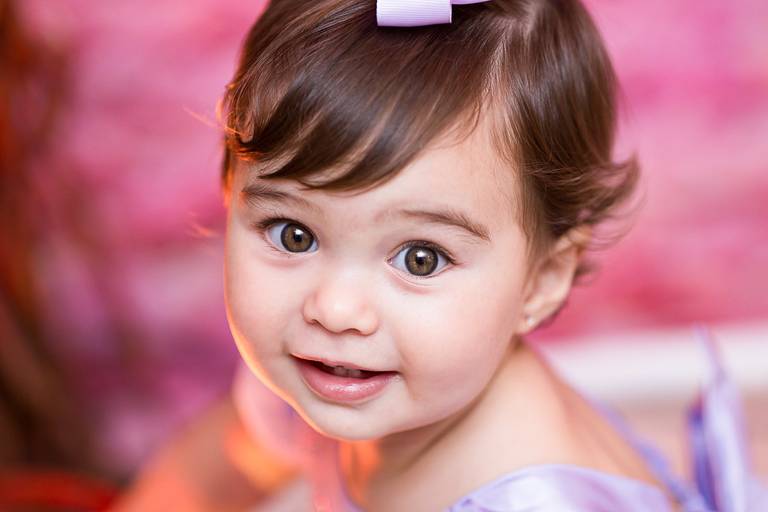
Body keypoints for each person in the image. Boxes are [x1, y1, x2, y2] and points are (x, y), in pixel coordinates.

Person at [115, 0, 766, 510]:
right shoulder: (326, 372)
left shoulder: (531, 498)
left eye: (420, 258)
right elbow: (216, 464)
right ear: (231, 196)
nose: (335, 309)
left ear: (542, 279)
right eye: (293, 234)